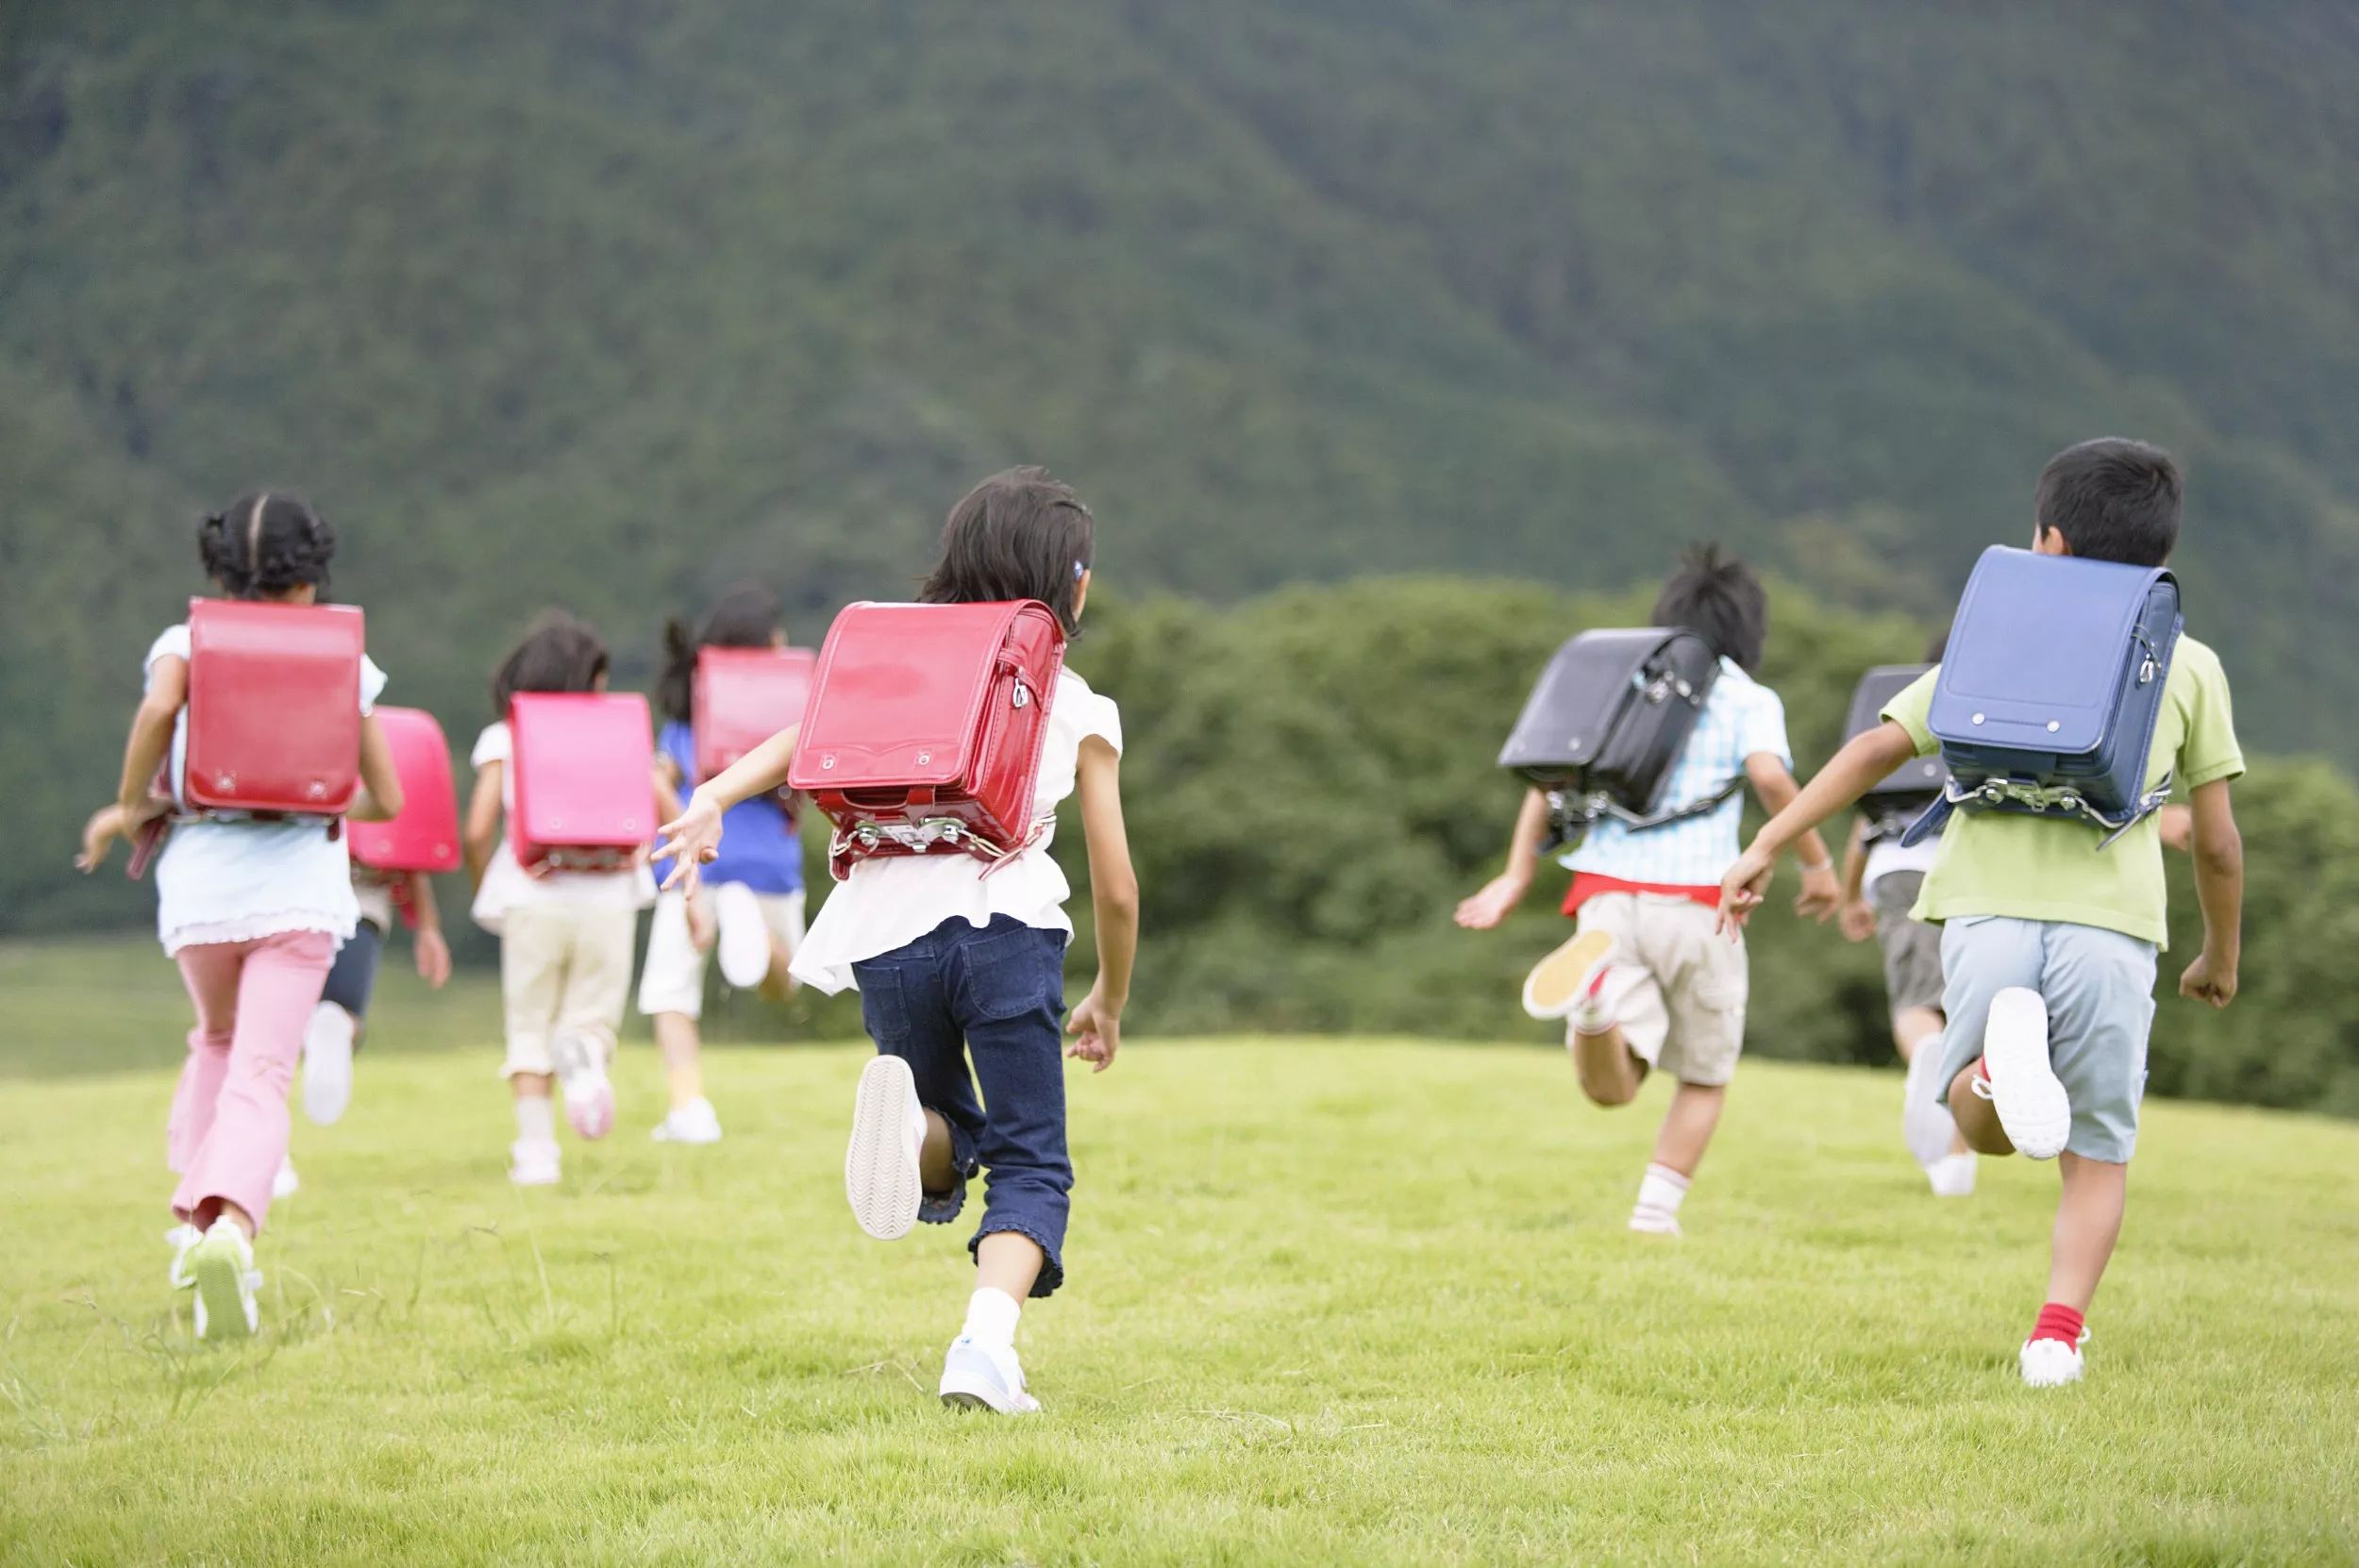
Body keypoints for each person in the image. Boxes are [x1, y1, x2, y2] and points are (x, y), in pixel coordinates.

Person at [1720, 438, 2243, 1389]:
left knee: (1976, 1119)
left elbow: (1877, 751)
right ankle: (2054, 1335)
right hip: (2110, 928)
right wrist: (2219, 953)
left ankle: (1999, 1071)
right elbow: (2214, 843)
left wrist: (1765, 844)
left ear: (2046, 543)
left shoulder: (1994, 640)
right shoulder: (2191, 664)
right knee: (2093, 1148)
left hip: (1985, 913)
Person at [659, 467, 1139, 1416]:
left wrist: (711, 794)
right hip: (1008, 931)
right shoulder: (1072, 700)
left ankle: (913, 1126)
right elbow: (1117, 888)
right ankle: (983, 1349)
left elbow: (805, 732)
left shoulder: (892, 667)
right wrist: (1108, 997)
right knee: (1031, 1158)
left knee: (949, 1124)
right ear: (1070, 586)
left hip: (886, 936)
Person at [75, 492, 402, 1341]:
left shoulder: (185, 644)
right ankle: (231, 1231)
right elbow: (385, 794)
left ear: (219, 568)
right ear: (309, 575)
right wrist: (312, 798)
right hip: (299, 894)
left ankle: (190, 1227)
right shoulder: (345, 654)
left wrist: (136, 801)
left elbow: (155, 714)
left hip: (202, 891)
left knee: (213, 1044)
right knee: (263, 1070)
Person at [1456, 545, 1840, 1237]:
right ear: (1748, 631)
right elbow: (1773, 781)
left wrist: (1516, 876)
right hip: (1701, 902)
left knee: (1615, 1087)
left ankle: (1595, 1011)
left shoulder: (1622, 686)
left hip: (1605, 898)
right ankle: (1654, 1214)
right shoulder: (1746, 696)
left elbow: (1551, 782)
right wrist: (1816, 863)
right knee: (1703, 1071)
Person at [463, 612, 652, 1187]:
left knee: (528, 1027)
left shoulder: (505, 733)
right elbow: (656, 800)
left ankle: (536, 1155)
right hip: (609, 897)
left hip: (534, 894)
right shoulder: (617, 728)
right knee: (590, 1017)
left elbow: (476, 829)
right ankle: (585, 1051)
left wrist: (485, 887)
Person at [638, 587, 807, 1145]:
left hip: (702, 860)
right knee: (784, 987)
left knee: (671, 993)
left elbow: (657, 780)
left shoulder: (688, 723)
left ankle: (690, 1110)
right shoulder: (789, 716)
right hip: (774, 865)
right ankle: (759, 935)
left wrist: (678, 827)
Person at [1837, 629, 1980, 1198]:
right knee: (1965, 1011)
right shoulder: (1998, 720)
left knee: (1917, 1005)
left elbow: (1863, 827)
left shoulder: (1908, 720)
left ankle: (1924, 1054)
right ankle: (1957, 1161)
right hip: (1973, 877)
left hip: (1899, 873)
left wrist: (1850, 898)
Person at [293, 863, 453, 1134]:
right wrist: (427, 926)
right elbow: (408, 847)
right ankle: (338, 1024)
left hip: (287, 893)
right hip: (362, 896)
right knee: (345, 1011)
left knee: (276, 1021)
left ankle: (276, 1157)